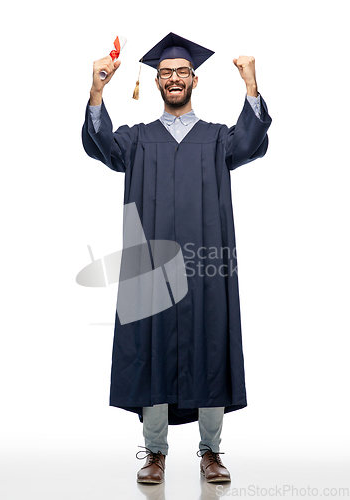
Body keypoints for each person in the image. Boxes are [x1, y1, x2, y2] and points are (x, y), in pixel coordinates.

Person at [82, 32, 272, 484]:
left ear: (194, 80)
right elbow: (101, 144)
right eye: (165, 73)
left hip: (208, 268)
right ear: (155, 82)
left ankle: (211, 452)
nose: (173, 78)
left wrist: (251, 87)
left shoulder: (217, 139)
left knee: (209, 345)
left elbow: (250, 142)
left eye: (181, 72)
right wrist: (96, 92)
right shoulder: (139, 140)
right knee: (152, 349)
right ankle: (154, 453)